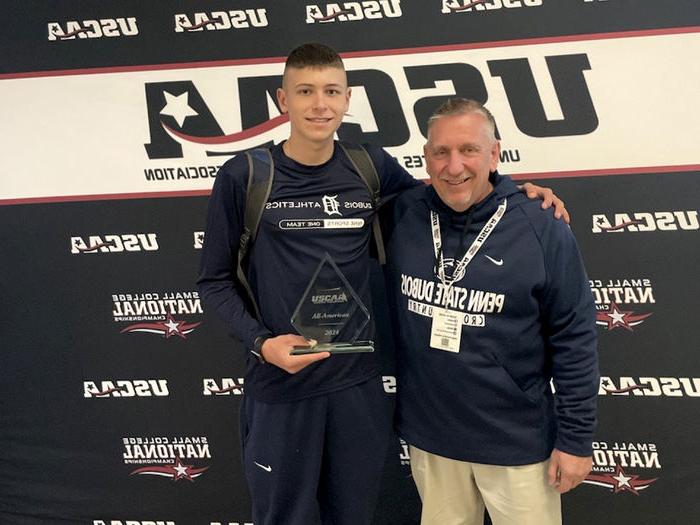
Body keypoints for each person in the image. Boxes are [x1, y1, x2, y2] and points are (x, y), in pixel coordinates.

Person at [198, 44, 567, 525]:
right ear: (282, 100)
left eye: (331, 91)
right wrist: (262, 344)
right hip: (281, 389)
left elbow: (450, 190)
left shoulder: (367, 167)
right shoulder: (245, 177)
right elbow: (214, 282)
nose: (319, 104)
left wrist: (515, 191)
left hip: (357, 390)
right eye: (304, 91)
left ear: (347, 98)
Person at [384, 98, 599, 525]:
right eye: (440, 152)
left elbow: (575, 336)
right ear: (425, 157)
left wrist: (575, 440)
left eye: (469, 150)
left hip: (516, 442)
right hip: (432, 438)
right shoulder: (405, 213)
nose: (453, 166)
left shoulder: (540, 224)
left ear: (495, 153)